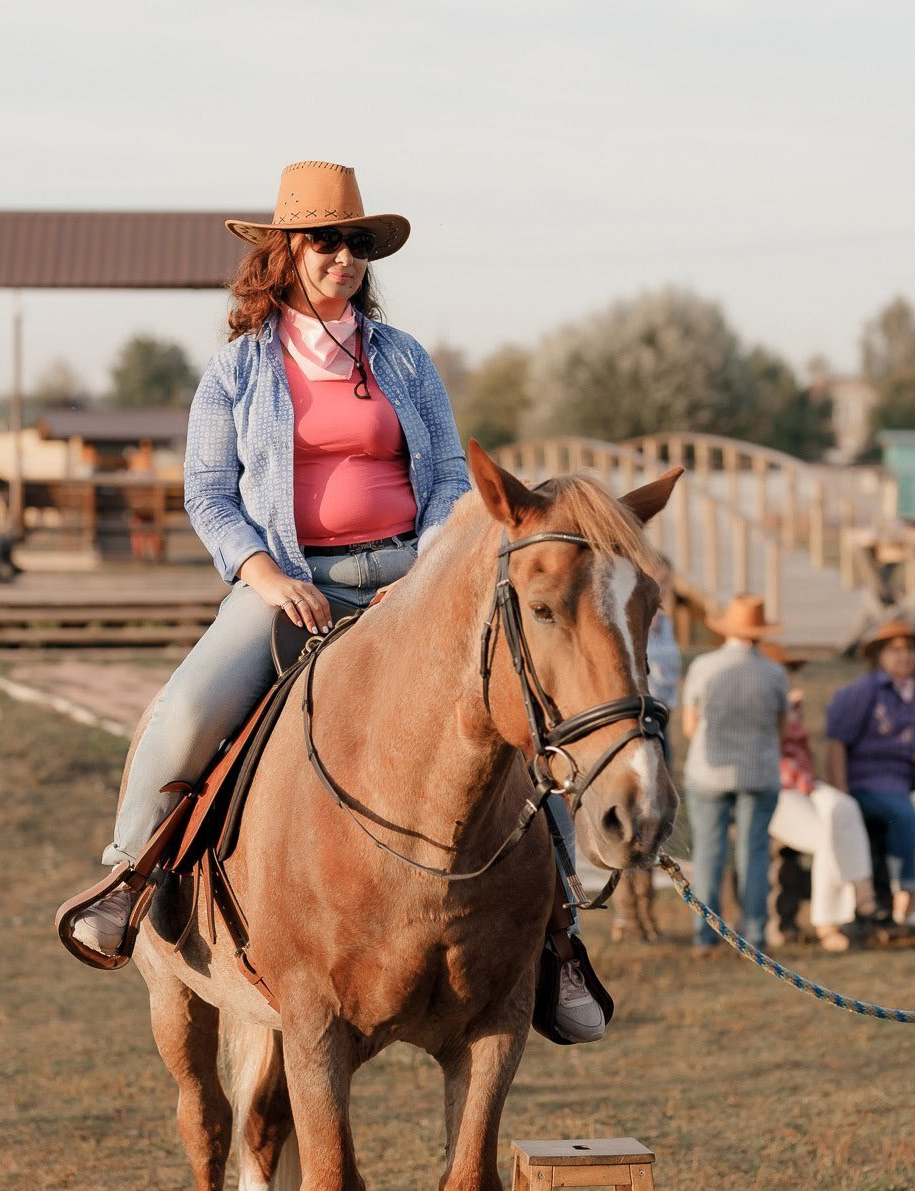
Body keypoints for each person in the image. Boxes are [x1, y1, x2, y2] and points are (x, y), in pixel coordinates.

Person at [62, 160, 607, 1042]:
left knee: (518, 726)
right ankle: (128, 877)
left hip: (408, 578)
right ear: (286, 253)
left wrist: (429, 572)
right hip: (288, 585)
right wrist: (266, 576)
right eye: (325, 241)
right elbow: (208, 491)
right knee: (188, 707)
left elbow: (440, 477)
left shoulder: (403, 358)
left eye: (356, 243)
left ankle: (561, 938)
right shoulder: (237, 368)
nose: (343, 258)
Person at [681, 594, 787, 954]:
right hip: (758, 773)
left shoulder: (704, 667)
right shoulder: (774, 672)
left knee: (710, 853)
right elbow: (781, 727)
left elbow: (690, 727)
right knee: (754, 853)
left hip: (710, 773)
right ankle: (755, 934)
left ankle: (705, 936)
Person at [763, 645, 879, 951]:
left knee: (845, 806)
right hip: (775, 786)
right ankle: (828, 923)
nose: (786, 677)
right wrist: (784, 712)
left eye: (788, 671)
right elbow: (769, 744)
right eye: (782, 671)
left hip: (805, 782)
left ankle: (864, 894)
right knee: (826, 835)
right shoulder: (760, 700)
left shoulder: (788, 700)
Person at [825, 619, 915, 926]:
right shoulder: (863, 692)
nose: (904, 656)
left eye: (909, 649)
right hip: (870, 781)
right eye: (895, 650)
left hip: (913, 778)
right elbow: (836, 742)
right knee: (903, 815)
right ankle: (905, 900)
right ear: (880, 656)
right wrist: (841, 792)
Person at [611, 557, 680, 942]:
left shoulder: (667, 625)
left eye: (667, 580)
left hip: (661, 728)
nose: (664, 585)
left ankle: (648, 912)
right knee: (628, 821)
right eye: (658, 579)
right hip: (635, 726)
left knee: (655, 825)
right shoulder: (630, 618)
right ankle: (627, 915)